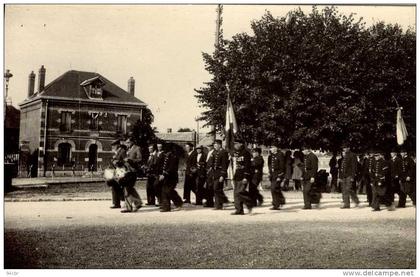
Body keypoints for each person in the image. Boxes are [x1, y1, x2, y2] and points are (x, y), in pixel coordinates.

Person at [120, 137, 143, 213]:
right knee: (128, 188)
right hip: (127, 171)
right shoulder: (128, 149)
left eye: (128, 142)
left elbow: (140, 159)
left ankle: (131, 206)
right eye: (126, 142)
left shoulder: (137, 148)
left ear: (132, 142)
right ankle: (137, 203)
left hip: (133, 171)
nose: (127, 144)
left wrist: (130, 160)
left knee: (127, 188)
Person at [231, 139, 254, 215]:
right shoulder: (237, 153)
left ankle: (249, 204)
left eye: (236, 144)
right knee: (236, 193)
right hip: (237, 175)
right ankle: (239, 210)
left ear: (241, 144)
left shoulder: (246, 153)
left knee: (240, 192)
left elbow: (248, 166)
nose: (235, 145)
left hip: (243, 175)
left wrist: (245, 177)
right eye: (234, 144)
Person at [159, 144, 183, 212]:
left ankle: (178, 203)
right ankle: (166, 207)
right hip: (167, 177)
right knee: (164, 191)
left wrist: (164, 174)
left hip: (172, 178)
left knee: (169, 191)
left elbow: (171, 168)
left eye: (166, 151)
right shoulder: (167, 157)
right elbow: (163, 166)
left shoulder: (174, 157)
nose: (165, 153)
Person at [339, 144, 360, 209]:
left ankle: (356, 201)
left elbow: (354, 167)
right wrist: (340, 176)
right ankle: (346, 204)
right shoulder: (345, 155)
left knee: (348, 189)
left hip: (349, 175)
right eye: (343, 148)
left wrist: (353, 177)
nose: (344, 149)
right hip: (344, 175)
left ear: (349, 148)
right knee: (344, 190)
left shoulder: (352, 155)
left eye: (345, 148)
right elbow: (342, 167)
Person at [107, 139, 125, 209]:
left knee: (118, 186)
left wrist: (118, 162)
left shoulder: (122, 151)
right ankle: (116, 203)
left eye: (114, 145)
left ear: (118, 145)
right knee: (114, 186)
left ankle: (121, 201)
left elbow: (125, 161)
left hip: (121, 171)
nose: (113, 147)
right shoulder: (117, 152)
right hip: (116, 171)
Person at [212, 139, 230, 210]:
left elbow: (224, 165)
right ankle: (218, 205)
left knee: (216, 188)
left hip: (220, 172)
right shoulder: (216, 152)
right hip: (215, 172)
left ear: (219, 145)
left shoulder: (224, 152)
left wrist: (222, 175)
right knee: (217, 189)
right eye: (214, 145)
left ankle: (223, 201)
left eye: (216, 145)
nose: (215, 146)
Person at [268, 144, 286, 210]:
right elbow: (270, 165)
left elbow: (282, 166)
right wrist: (269, 172)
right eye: (270, 148)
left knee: (273, 188)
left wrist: (280, 175)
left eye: (272, 148)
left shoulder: (280, 154)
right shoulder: (271, 156)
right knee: (276, 188)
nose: (270, 149)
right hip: (273, 174)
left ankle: (276, 204)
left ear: (275, 148)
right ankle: (281, 200)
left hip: (278, 174)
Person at [153, 142, 165, 206]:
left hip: (161, 173)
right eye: (158, 147)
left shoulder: (164, 154)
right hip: (156, 172)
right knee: (156, 186)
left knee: (157, 185)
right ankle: (159, 200)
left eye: (160, 147)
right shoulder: (156, 153)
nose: (159, 148)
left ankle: (161, 200)